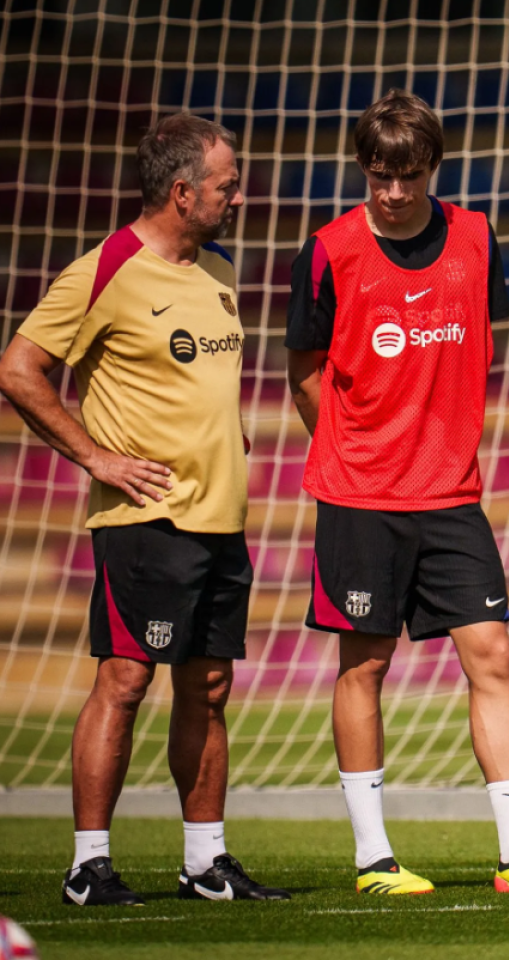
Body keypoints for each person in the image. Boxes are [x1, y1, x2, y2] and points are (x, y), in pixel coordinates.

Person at [287, 90, 509, 896]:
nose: (392, 192)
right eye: (378, 175)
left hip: (452, 495)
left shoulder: (476, 235)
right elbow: (306, 374)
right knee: (365, 664)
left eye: (409, 175)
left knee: (493, 654)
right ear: (363, 167)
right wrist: (360, 450)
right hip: (359, 496)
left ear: (434, 168)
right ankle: (372, 860)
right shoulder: (328, 251)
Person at [0, 114, 286, 905]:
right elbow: (20, 369)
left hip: (222, 517)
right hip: (145, 521)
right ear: (182, 190)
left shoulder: (220, 269)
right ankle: (89, 865)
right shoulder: (105, 269)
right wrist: (95, 457)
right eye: (227, 183)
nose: (239, 194)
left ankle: (206, 863)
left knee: (211, 687)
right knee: (125, 680)